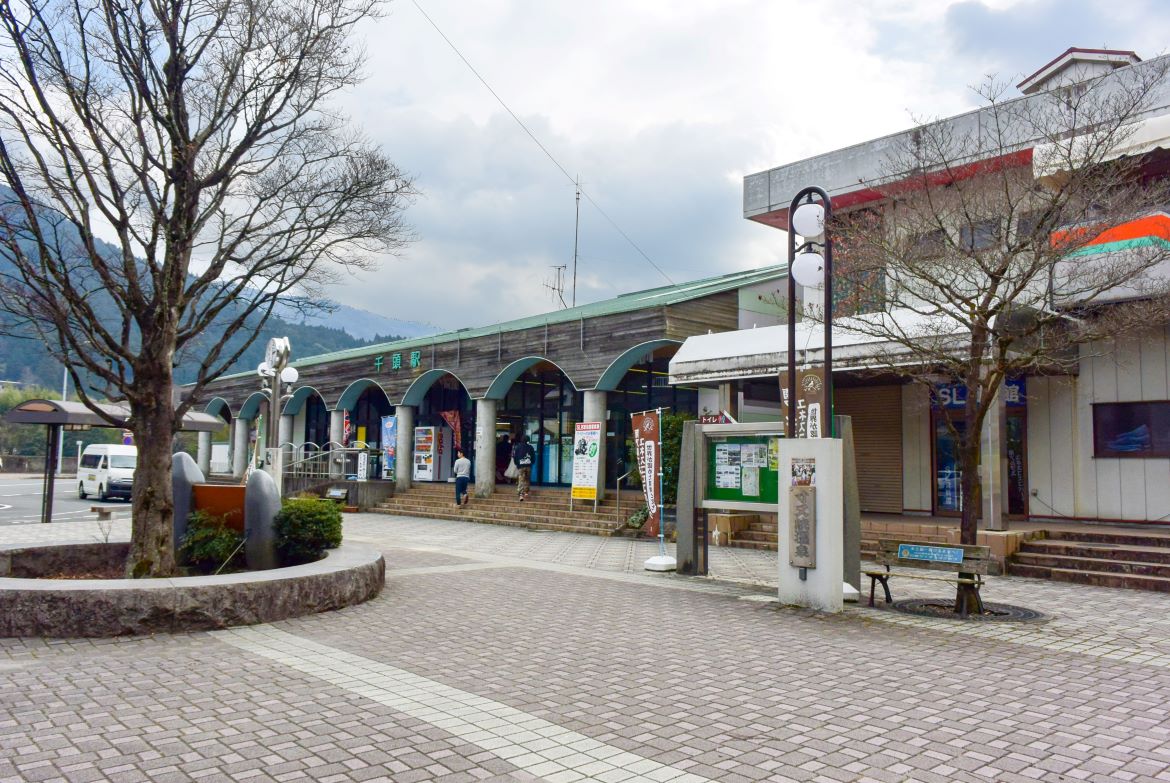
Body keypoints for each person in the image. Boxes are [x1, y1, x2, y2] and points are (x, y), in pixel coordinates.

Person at [511, 433, 534, 501]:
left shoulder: (518, 447)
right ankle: (526, 492)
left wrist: (517, 464)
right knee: (527, 479)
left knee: (521, 479)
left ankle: (521, 494)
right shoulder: (530, 447)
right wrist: (531, 463)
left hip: (521, 466)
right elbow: (533, 457)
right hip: (528, 465)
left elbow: (515, 457)